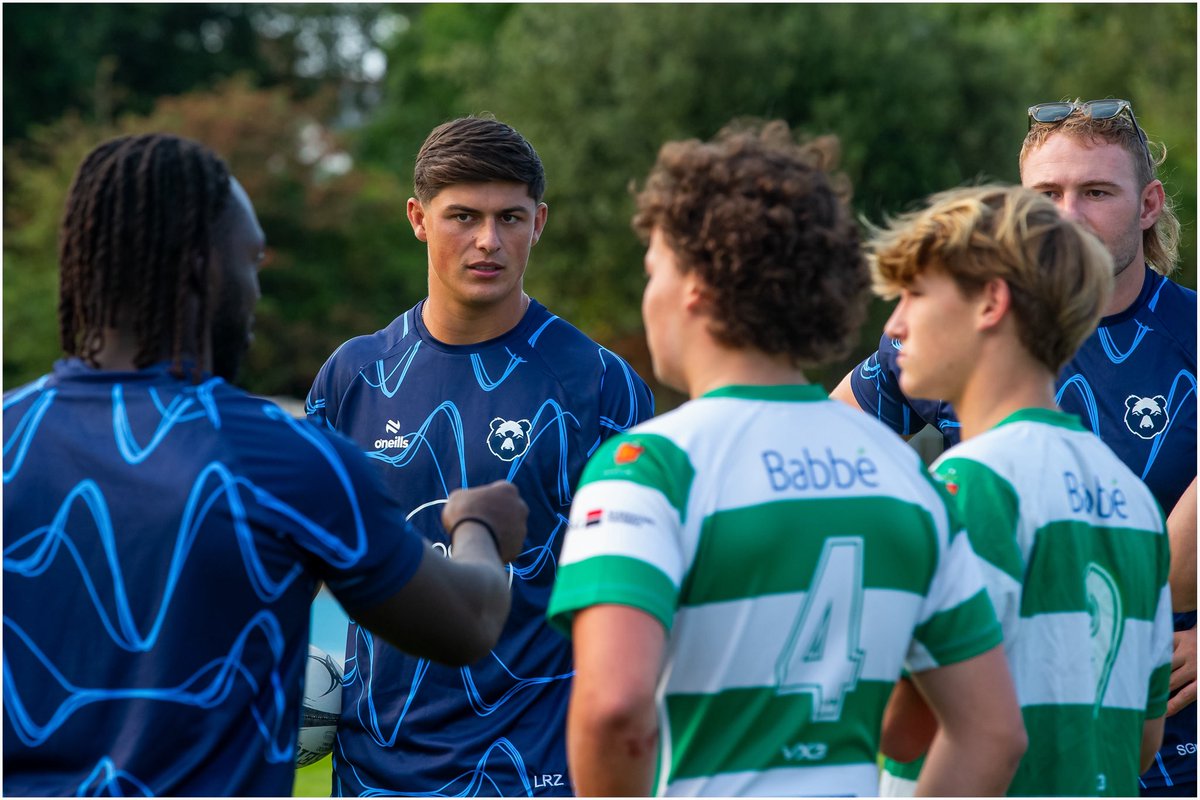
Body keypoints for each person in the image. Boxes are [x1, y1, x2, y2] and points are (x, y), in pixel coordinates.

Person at [2, 133, 530, 797]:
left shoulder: (8, 440)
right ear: (203, 269)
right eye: (251, 260)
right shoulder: (284, 461)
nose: (256, 291)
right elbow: (469, 625)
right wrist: (478, 526)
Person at [544, 121, 1027, 796]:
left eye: (653, 268)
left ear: (696, 285)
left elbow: (613, 709)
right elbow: (990, 733)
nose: (646, 294)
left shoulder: (647, 467)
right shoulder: (910, 481)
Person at [831, 98, 1197, 796]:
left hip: (1155, 740)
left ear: (1148, 204)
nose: (1067, 216)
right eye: (1046, 195)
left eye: (1095, 192)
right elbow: (823, 455)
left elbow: (903, 727)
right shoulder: (943, 344)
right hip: (1033, 733)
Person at [306, 116, 653, 796]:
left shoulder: (600, 386)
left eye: (510, 217)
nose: (488, 241)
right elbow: (298, 562)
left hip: (532, 774)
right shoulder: (354, 377)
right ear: (417, 218)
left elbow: (639, 600)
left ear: (540, 221)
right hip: (372, 779)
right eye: (463, 216)